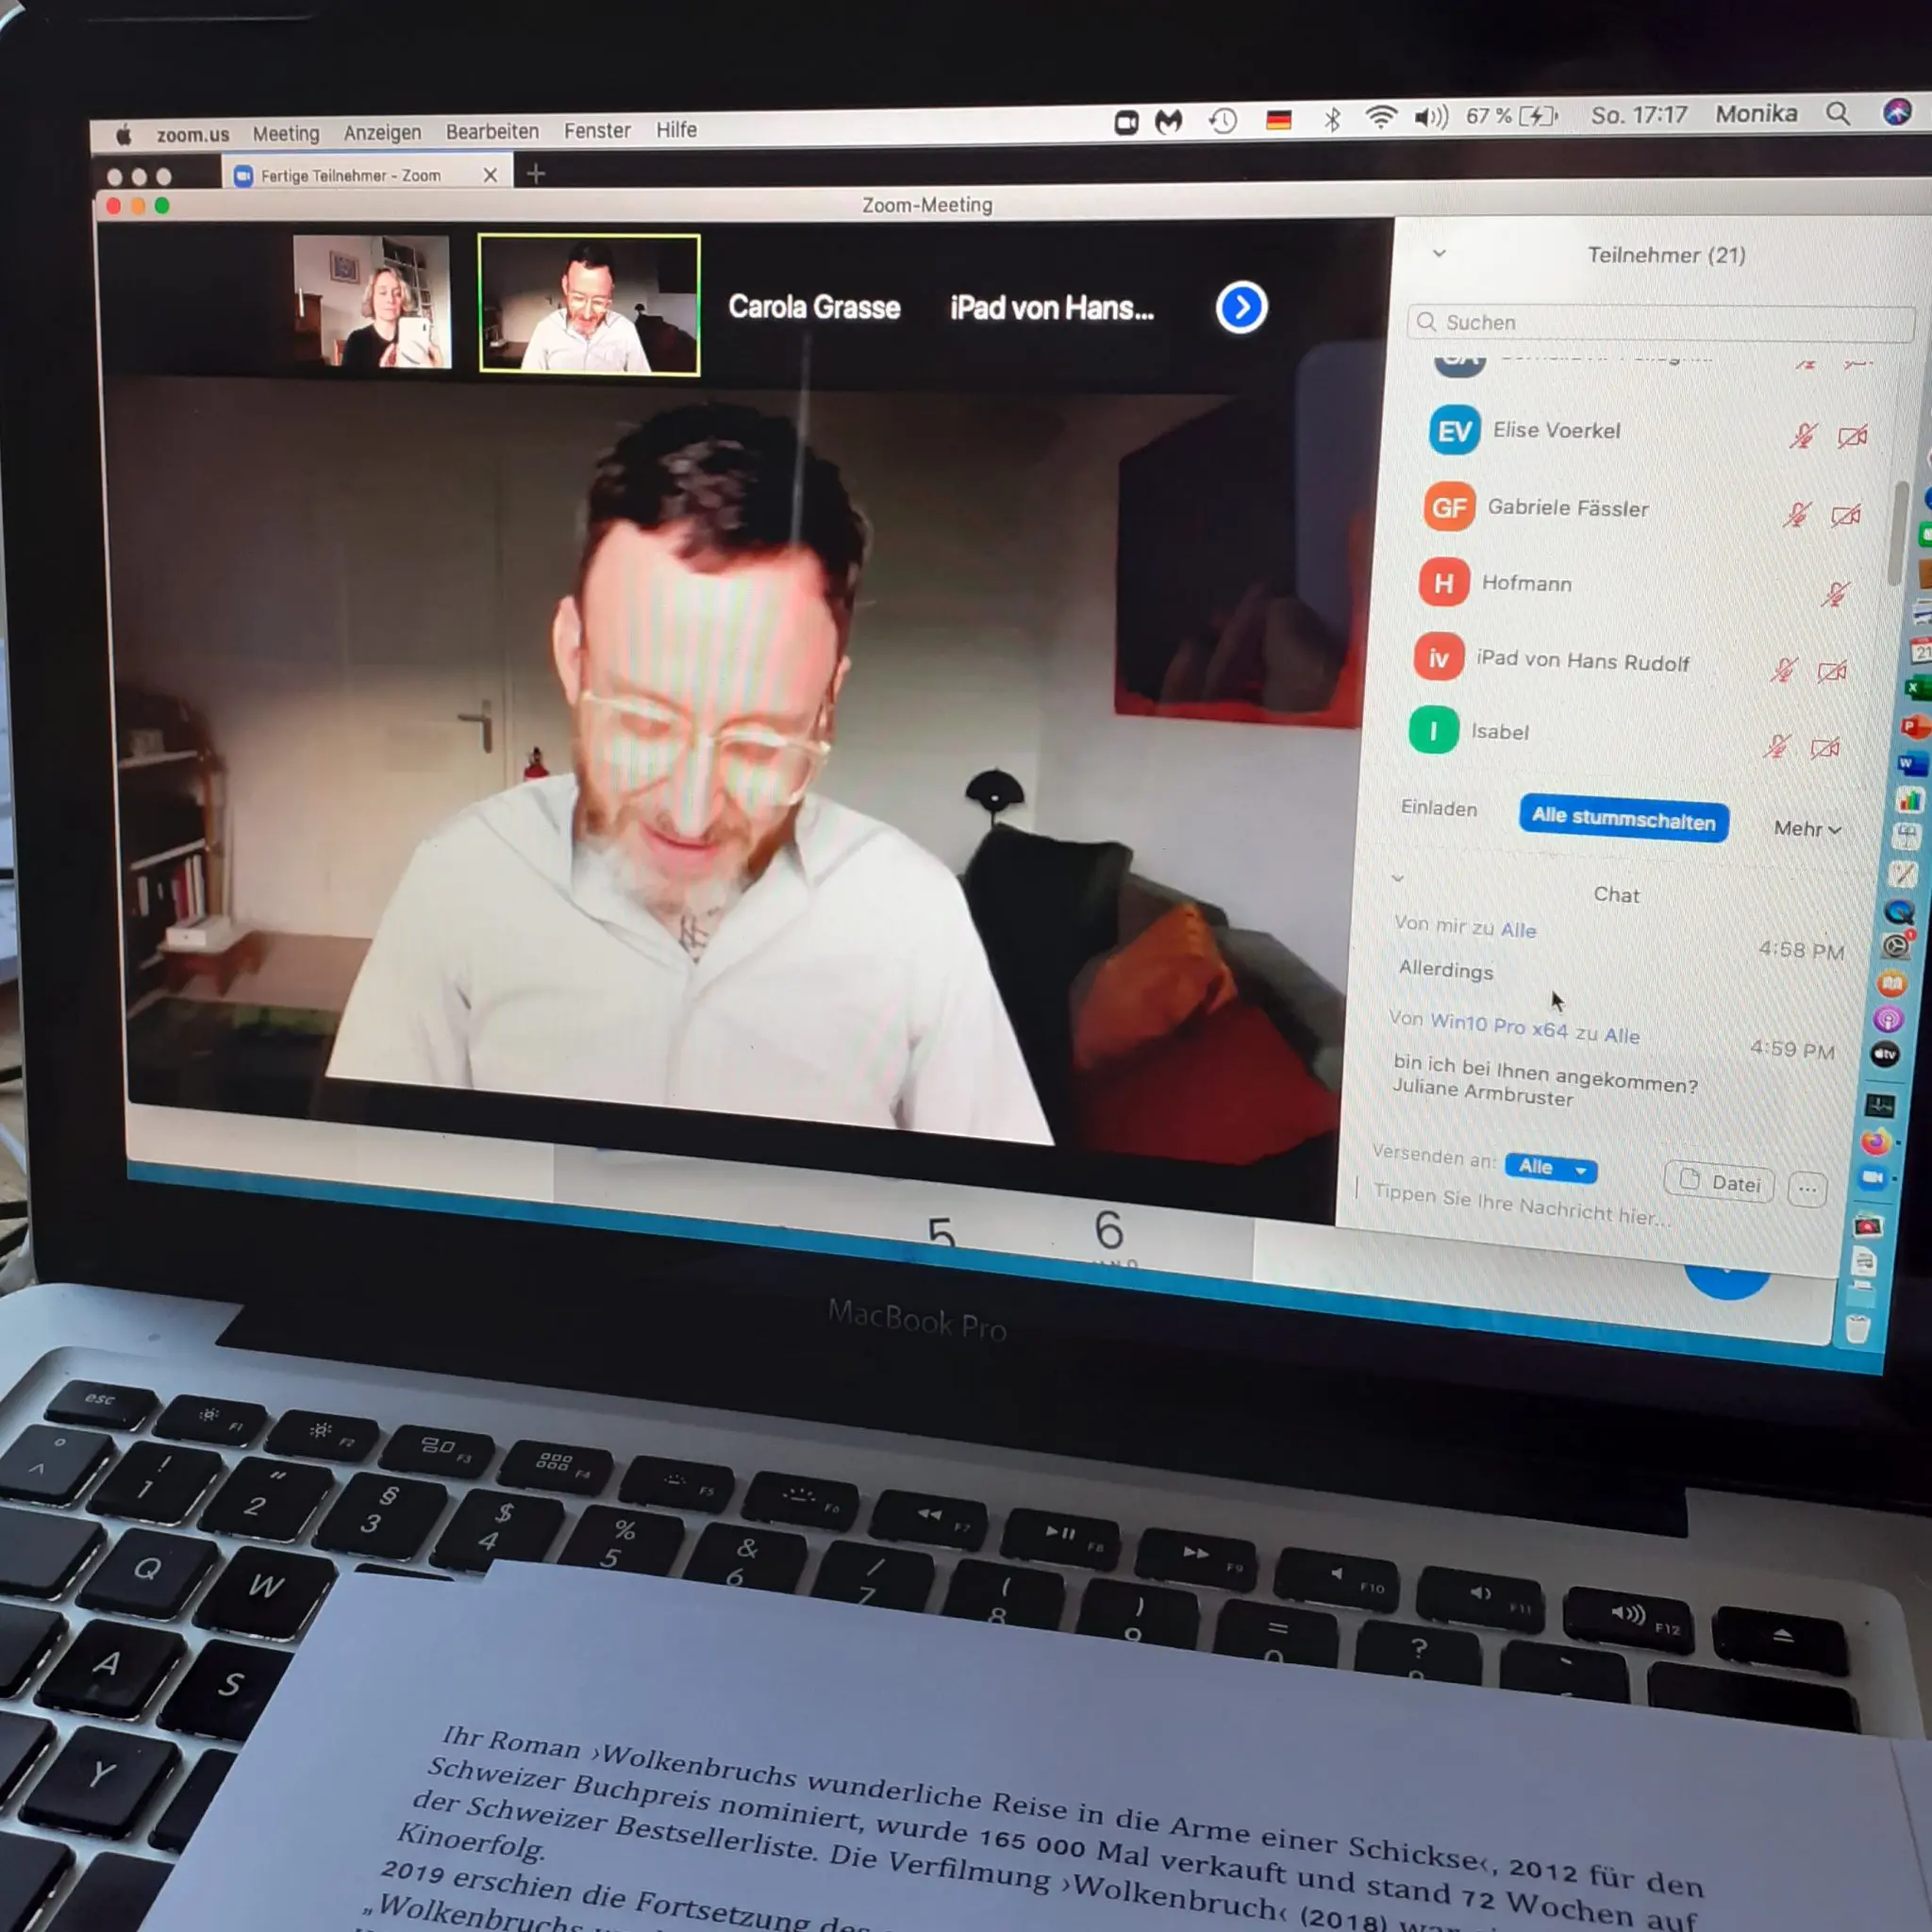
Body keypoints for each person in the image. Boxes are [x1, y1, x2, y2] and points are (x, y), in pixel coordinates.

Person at [328, 404, 1050, 1141]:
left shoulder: (913, 916)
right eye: (644, 722)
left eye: (761, 742)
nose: (693, 811)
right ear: (573, 656)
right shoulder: (460, 882)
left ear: (827, 706)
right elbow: (362, 1185)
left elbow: (1003, 1204)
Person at [518, 242, 653, 374]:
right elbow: (527, 387)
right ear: (565, 285)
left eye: (598, 301)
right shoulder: (546, 330)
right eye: (578, 298)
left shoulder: (626, 331)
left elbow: (644, 386)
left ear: (610, 292)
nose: (587, 315)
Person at [339, 266, 443, 372]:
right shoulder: (356, 341)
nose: (390, 299)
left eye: (397, 294)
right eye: (383, 293)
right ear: (371, 298)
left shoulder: (414, 338)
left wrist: (436, 374)